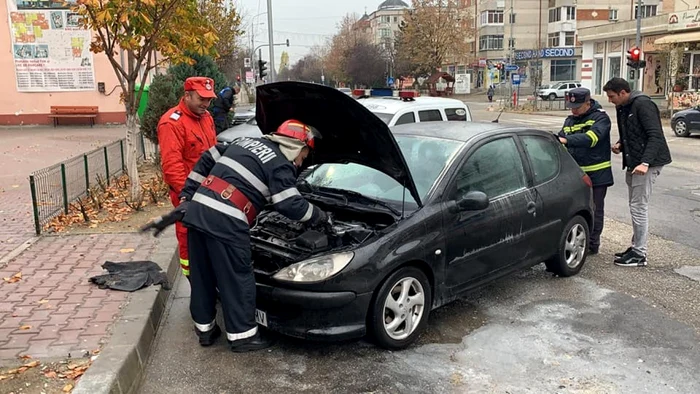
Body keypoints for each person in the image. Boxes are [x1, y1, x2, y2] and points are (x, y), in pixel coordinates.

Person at [143, 119, 329, 352]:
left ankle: (206, 331)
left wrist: (188, 196)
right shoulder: (280, 163)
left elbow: (207, 158)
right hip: (227, 222)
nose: (302, 161)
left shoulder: (244, 142)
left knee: (203, 277)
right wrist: (319, 217)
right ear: (297, 146)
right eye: (305, 154)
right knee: (237, 278)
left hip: (197, 213)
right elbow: (290, 204)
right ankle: (243, 337)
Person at [603, 77, 672, 267]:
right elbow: (633, 133)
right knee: (635, 206)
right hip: (634, 162)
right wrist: (621, 144)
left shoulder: (643, 105)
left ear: (623, 93)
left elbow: (655, 135)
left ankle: (640, 254)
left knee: (638, 207)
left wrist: (645, 163)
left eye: (611, 96)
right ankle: (635, 247)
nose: (610, 100)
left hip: (647, 164)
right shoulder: (623, 107)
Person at [156, 77, 217, 281]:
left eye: (209, 100)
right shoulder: (171, 123)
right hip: (188, 195)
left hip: (209, 191)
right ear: (187, 95)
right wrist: (187, 195)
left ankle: (210, 276)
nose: (206, 104)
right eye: (201, 99)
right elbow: (172, 167)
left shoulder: (206, 117)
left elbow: (213, 154)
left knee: (211, 236)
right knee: (188, 237)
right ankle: (195, 283)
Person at [557, 87, 613, 255]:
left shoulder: (600, 118)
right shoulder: (570, 120)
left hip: (597, 175)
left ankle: (592, 244)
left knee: (595, 210)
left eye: (577, 107)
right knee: (575, 210)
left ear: (588, 103)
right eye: (571, 107)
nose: (573, 110)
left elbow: (591, 138)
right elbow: (561, 140)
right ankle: (578, 239)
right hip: (575, 176)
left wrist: (566, 140)